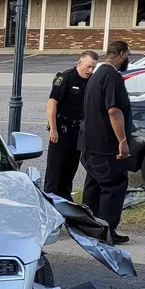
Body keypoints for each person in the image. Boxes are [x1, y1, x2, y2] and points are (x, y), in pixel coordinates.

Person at [78, 41, 133, 245]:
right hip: (106, 145)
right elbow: (114, 111)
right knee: (114, 186)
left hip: (89, 144)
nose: (129, 59)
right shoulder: (112, 76)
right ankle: (107, 231)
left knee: (93, 187)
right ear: (120, 53)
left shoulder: (96, 75)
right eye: (128, 54)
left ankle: (88, 227)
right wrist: (122, 141)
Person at [44, 50, 98, 201]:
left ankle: (65, 204)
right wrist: (53, 129)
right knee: (55, 173)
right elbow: (52, 103)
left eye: (93, 68)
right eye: (88, 66)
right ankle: (50, 202)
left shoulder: (91, 81)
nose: (90, 70)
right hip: (62, 131)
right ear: (79, 63)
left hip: (79, 133)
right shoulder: (65, 78)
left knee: (69, 173)